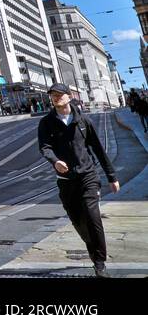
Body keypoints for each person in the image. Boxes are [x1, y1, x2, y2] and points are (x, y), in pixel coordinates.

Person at [37, 83, 119, 278]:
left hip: (88, 176)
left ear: (69, 96)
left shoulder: (83, 120)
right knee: (77, 220)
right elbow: (44, 147)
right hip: (65, 180)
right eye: (52, 95)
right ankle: (92, 245)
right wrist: (55, 161)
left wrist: (111, 176)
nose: (55, 98)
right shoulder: (46, 122)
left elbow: (98, 149)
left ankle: (99, 263)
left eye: (59, 94)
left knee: (92, 216)